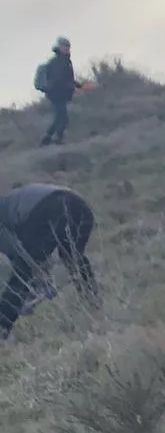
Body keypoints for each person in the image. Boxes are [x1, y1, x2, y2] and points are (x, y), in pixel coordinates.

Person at [0, 184, 100, 340]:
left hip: (49, 207)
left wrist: (34, 282)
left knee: (22, 272)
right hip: (81, 207)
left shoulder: (4, 214)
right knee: (73, 257)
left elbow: (20, 254)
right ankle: (93, 304)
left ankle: (2, 328)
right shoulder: (11, 202)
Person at [38, 39, 84, 147]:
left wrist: (78, 86)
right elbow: (59, 80)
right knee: (62, 118)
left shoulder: (65, 61)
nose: (67, 49)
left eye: (68, 47)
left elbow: (68, 78)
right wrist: (72, 86)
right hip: (56, 94)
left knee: (60, 117)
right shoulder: (57, 62)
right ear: (59, 48)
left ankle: (47, 139)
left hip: (60, 93)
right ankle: (56, 140)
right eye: (65, 46)